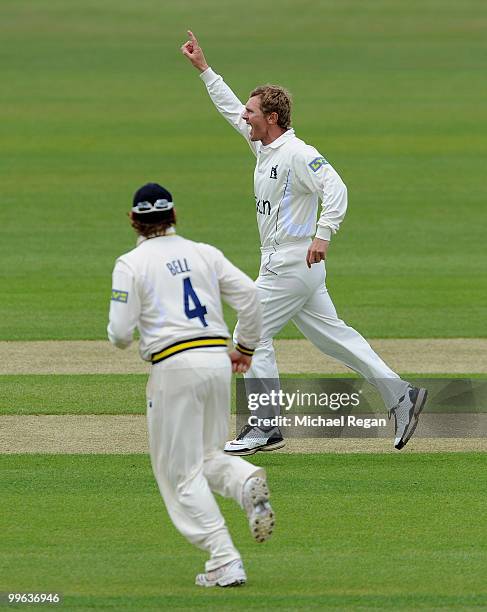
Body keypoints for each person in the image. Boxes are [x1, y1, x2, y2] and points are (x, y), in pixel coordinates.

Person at [180, 31, 428, 453]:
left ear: (272, 118)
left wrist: (323, 235)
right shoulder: (264, 149)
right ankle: (400, 394)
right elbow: (228, 109)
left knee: (250, 332)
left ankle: (265, 426)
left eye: (253, 111)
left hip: (294, 261)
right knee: (334, 338)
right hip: (292, 267)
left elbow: (337, 188)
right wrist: (205, 69)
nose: (245, 115)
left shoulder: (298, 153)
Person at [107, 182, 275, 587]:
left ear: (134, 220)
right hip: (217, 360)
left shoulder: (130, 264)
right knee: (205, 455)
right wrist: (245, 348)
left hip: (173, 367)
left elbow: (120, 333)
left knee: (180, 475)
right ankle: (245, 480)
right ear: (173, 216)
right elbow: (251, 295)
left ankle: (224, 558)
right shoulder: (204, 253)